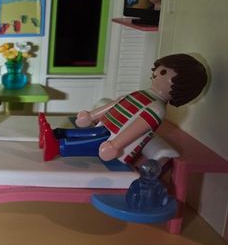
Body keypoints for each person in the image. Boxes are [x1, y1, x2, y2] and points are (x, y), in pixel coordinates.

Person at [40, 54, 207, 165]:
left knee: (89, 143)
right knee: (87, 134)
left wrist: (116, 144)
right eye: (159, 68)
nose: (156, 72)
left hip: (113, 142)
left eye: (163, 71)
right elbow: (117, 103)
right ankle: (55, 134)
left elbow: (137, 128)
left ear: (180, 86)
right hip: (106, 129)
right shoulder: (142, 94)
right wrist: (92, 115)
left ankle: (57, 147)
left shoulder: (157, 109)